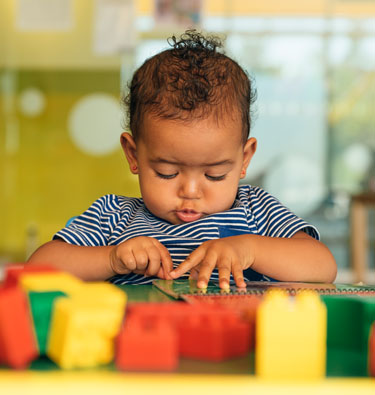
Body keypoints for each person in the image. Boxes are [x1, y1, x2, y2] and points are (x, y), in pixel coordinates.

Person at [28, 30, 337, 289]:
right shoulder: (114, 216)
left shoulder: (256, 213)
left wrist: (251, 249)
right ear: (133, 155)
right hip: (139, 349)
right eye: (166, 172)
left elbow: (322, 266)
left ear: (244, 159)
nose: (190, 191)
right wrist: (110, 258)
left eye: (214, 175)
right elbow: (38, 269)